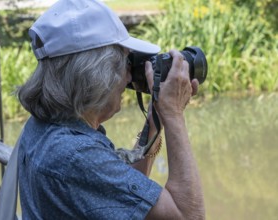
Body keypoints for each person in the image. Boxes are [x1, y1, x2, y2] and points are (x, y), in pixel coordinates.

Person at [16, 0, 205, 219]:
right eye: (126, 62)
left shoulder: (46, 127)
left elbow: (124, 194)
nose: (129, 76)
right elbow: (187, 215)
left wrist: (156, 121)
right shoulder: (75, 155)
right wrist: (174, 115)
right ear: (96, 75)